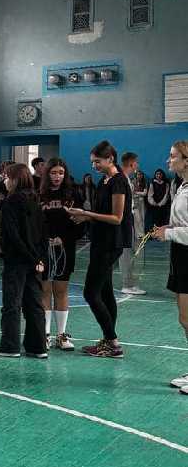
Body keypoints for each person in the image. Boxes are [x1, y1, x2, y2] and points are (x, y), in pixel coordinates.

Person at [66, 140, 131, 358]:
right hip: (100, 240)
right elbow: (102, 213)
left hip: (110, 243)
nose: (94, 166)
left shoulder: (118, 182)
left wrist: (87, 214)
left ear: (110, 159)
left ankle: (113, 342)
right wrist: (85, 218)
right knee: (105, 291)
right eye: (92, 162)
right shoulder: (104, 180)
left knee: (90, 293)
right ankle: (108, 340)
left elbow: (116, 218)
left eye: (97, 161)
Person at [0, 163, 48, 359]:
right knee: (34, 304)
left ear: (15, 179)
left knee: (12, 303)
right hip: (34, 260)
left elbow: (13, 235)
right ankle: (38, 347)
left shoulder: (10, 202)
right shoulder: (35, 200)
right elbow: (43, 234)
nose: (5, 181)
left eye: (7, 177)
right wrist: (39, 258)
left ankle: (10, 346)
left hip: (17, 260)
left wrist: (31, 257)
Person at [38, 158, 83, 351]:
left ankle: (61, 335)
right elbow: (34, 223)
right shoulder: (39, 195)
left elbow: (80, 222)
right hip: (44, 249)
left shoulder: (73, 194)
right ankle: (45, 334)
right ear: (47, 174)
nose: (57, 176)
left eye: (61, 173)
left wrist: (63, 239)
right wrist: (44, 239)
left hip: (65, 249)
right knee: (45, 290)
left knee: (61, 290)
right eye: (54, 173)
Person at [154, 143, 188, 394]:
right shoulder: (182, 185)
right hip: (180, 254)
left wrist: (168, 233)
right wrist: (169, 229)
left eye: (173, 156)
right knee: (184, 318)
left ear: (186, 160)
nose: (168, 160)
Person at [118, 151, 146, 296]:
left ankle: (130, 283)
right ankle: (126, 284)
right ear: (132, 163)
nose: (138, 165)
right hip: (125, 221)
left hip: (130, 219)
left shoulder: (127, 179)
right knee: (126, 254)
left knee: (132, 252)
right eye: (137, 162)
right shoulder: (121, 179)